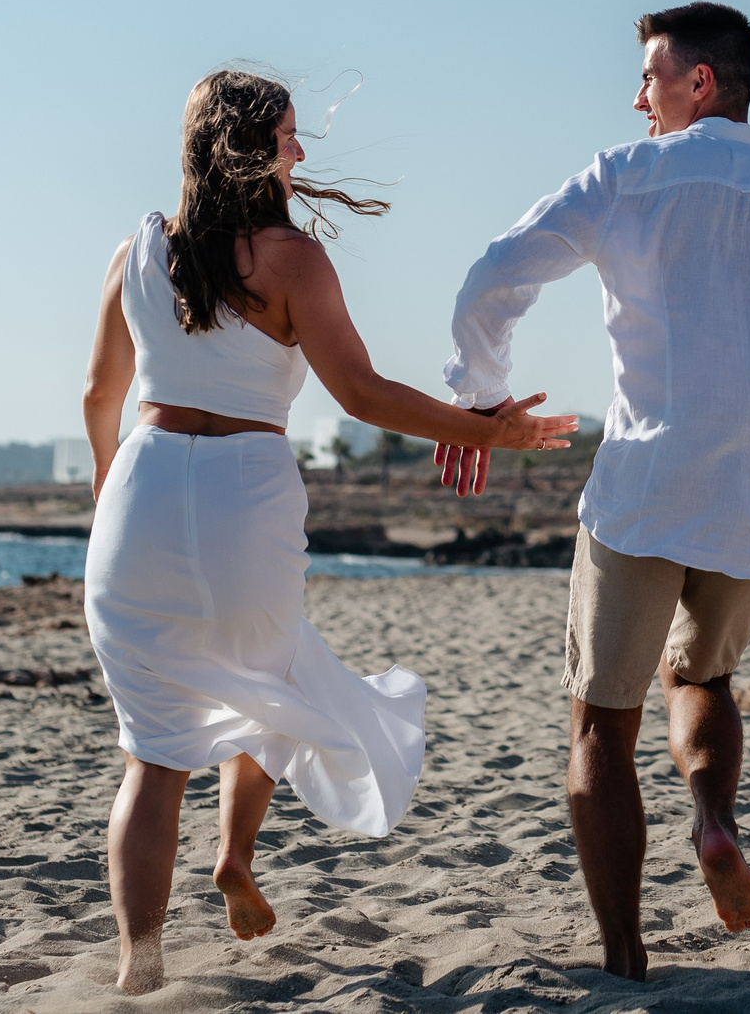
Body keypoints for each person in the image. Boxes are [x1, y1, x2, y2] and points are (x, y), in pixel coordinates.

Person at [435, 2, 750, 980]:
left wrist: (482, 392)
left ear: (698, 81)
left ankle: (625, 955)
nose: (637, 97)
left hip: (647, 486)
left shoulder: (629, 173)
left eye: (651, 76)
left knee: (600, 721)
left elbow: (493, 275)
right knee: (701, 680)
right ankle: (711, 820)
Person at [80, 68, 575, 995]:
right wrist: (492, 429)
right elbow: (364, 394)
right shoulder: (290, 259)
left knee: (152, 757)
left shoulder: (134, 254)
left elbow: (99, 396)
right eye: (290, 134)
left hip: (139, 498)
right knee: (266, 681)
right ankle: (234, 855)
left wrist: (110, 494)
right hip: (243, 498)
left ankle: (138, 966)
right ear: (249, 146)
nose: (302, 151)